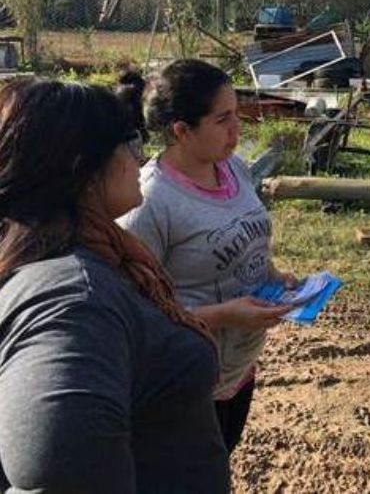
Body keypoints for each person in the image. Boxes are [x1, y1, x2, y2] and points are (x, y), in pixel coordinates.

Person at [0, 78, 230, 492]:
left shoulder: (84, 258)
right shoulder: (76, 300)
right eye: (129, 144)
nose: (139, 159)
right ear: (86, 168)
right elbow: (60, 477)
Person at [118, 59, 296, 455]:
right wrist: (225, 315)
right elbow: (136, 317)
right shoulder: (150, 203)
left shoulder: (232, 167)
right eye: (223, 119)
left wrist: (275, 277)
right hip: (186, 383)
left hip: (238, 369)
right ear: (182, 131)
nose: (238, 129)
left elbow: (250, 241)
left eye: (236, 113)